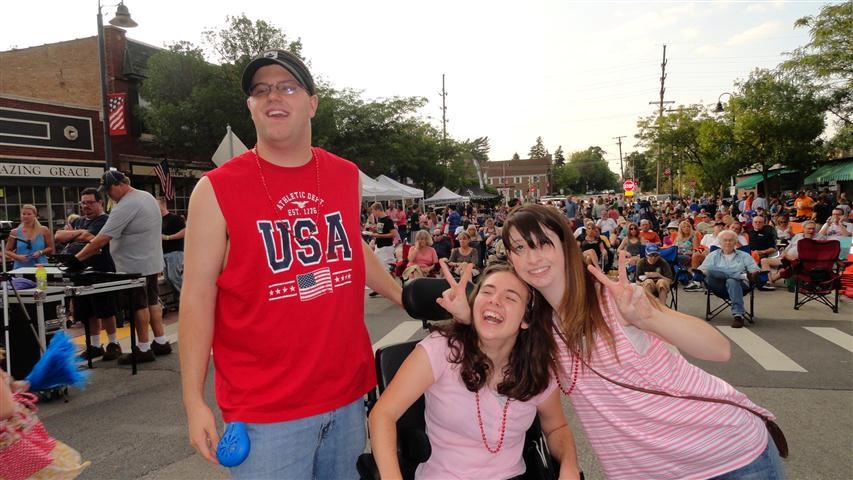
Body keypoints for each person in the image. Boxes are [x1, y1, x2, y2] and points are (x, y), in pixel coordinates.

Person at [178, 49, 402, 478]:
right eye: (261, 90)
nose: (273, 96)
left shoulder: (345, 175)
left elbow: (351, 246)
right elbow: (196, 297)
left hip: (348, 397)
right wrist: (194, 402)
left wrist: (403, 296)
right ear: (250, 106)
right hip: (265, 413)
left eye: (287, 86)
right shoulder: (215, 190)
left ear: (312, 102)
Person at [439, 204, 783, 479]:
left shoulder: (614, 300)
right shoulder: (536, 325)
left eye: (543, 243)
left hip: (727, 457)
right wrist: (470, 317)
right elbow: (496, 345)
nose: (532, 258)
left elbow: (718, 350)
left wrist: (649, 316)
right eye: (519, 248)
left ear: (565, 244)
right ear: (510, 258)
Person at [369, 262, 580, 479]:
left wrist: (569, 465)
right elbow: (383, 415)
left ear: (526, 319)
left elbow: (557, 427)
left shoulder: (537, 367)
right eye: (487, 292)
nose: (494, 300)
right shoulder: (442, 350)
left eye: (510, 297)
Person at [74, 171, 169, 364]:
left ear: (119, 185)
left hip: (134, 265)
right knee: (152, 301)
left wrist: (76, 259)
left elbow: (101, 239)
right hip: (150, 260)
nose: (108, 195)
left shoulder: (126, 205)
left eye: (108, 190)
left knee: (138, 305)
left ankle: (143, 348)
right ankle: (160, 341)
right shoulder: (146, 196)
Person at [55, 188, 122, 361]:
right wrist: (79, 234)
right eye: (83, 203)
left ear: (100, 202)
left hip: (101, 269)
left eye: (90, 202)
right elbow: (59, 235)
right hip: (80, 271)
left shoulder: (105, 220)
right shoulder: (79, 222)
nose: (86, 206)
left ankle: (113, 343)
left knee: (105, 309)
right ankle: (94, 345)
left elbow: (93, 239)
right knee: (87, 311)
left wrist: (74, 235)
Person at [699, 230, 760, 328]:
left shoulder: (744, 256)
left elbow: (754, 270)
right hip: (717, 285)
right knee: (710, 270)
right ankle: (740, 276)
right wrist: (741, 275)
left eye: (731, 240)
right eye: (725, 240)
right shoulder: (713, 255)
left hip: (739, 286)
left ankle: (738, 315)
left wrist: (753, 273)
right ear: (720, 242)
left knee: (732, 281)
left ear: (736, 242)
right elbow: (703, 270)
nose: (728, 242)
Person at [6, 204, 54, 269]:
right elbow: (7, 250)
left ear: (35, 215)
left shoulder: (44, 230)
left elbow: (50, 248)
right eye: (23, 214)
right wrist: (18, 257)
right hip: (20, 268)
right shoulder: (14, 232)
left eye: (29, 214)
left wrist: (40, 252)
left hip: (40, 267)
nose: (26, 216)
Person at [159, 197, 186, 297]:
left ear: (162, 205)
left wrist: (168, 237)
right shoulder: (157, 220)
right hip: (163, 253)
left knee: (174, 276)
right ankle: (179, 299)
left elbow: (185, 231)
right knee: (167, 278)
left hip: (175, 252)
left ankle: (186, 298)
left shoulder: (175, 218)